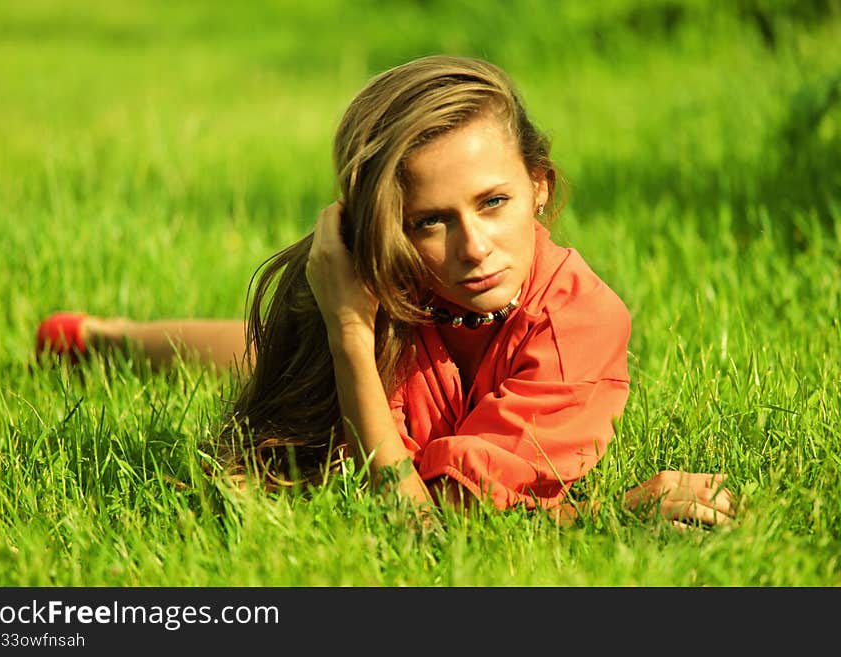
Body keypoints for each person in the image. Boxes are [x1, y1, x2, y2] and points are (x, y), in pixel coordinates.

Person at [36, 55, 734, 527]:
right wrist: (345, 327)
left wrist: (608, 510)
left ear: (540, 188)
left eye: (494, 202)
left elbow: (426, 523)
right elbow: (391, 498)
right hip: (369, 324)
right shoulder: (378, 285)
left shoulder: (577, 322)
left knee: (256, 354)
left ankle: (112, 334)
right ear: (388, 231)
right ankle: (109, 336)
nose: (474, 247)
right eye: (431, 220)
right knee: (255, 351)